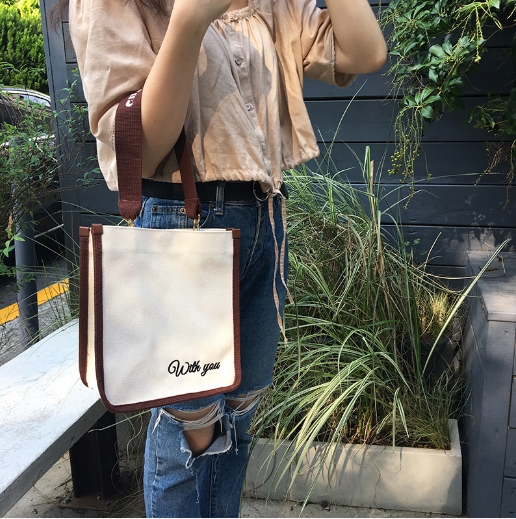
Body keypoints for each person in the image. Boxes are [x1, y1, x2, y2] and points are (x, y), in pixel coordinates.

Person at [65, 0, 387, 516]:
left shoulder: (267, 6)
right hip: (182, 225)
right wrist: (191, 18)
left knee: (238, 415)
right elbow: (141, 150)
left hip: (264, 217)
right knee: (189, 427)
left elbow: (365, 53)